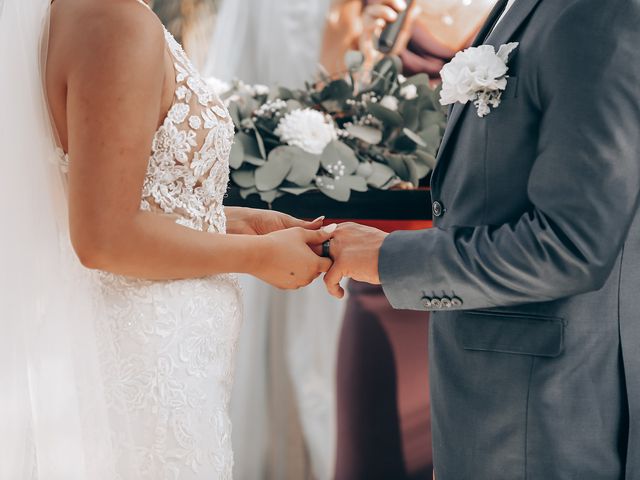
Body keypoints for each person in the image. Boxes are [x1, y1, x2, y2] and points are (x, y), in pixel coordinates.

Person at [0, 0, 336, 477]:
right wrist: (256, 256)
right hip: (146, 369)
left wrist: (232, 222)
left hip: (159, 358)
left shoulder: (90, 13)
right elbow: (104, 236)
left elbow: (122, 195)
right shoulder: (113, 21)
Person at [324, 0, 640, 478]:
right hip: (490, 393)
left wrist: (389, 258)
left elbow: (571, 246)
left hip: (540, 414)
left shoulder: (599, 12)